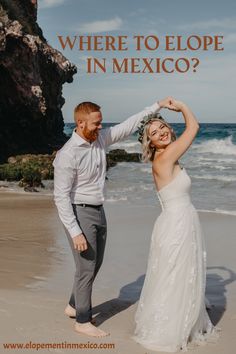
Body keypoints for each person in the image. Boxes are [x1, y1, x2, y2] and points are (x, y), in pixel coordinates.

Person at [53, 97, 171, 337]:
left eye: (101, 122)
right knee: (85, 268)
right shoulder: (68, 155)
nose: (100, 127)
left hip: (98, 209)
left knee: (95, 264)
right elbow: (61, 197)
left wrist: (156, 106)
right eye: (95, 123)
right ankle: (83, 320)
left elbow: (129, 124)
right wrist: (75, 231)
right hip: (79, 211)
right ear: (80, 123)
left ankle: (74, 305)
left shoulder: (101, 139)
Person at [133, 98, 220, 351]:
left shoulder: (164, 156)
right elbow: (194, 127)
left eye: (162, 128)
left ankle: (178, 319)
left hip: (176, 221)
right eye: (154, 133)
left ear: (169, 130)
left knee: (174, 274)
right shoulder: (166, 156)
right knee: (175, 275)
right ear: (150, 142)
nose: (160, 133)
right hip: (177, 223)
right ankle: (171, 327)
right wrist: (181, 106)